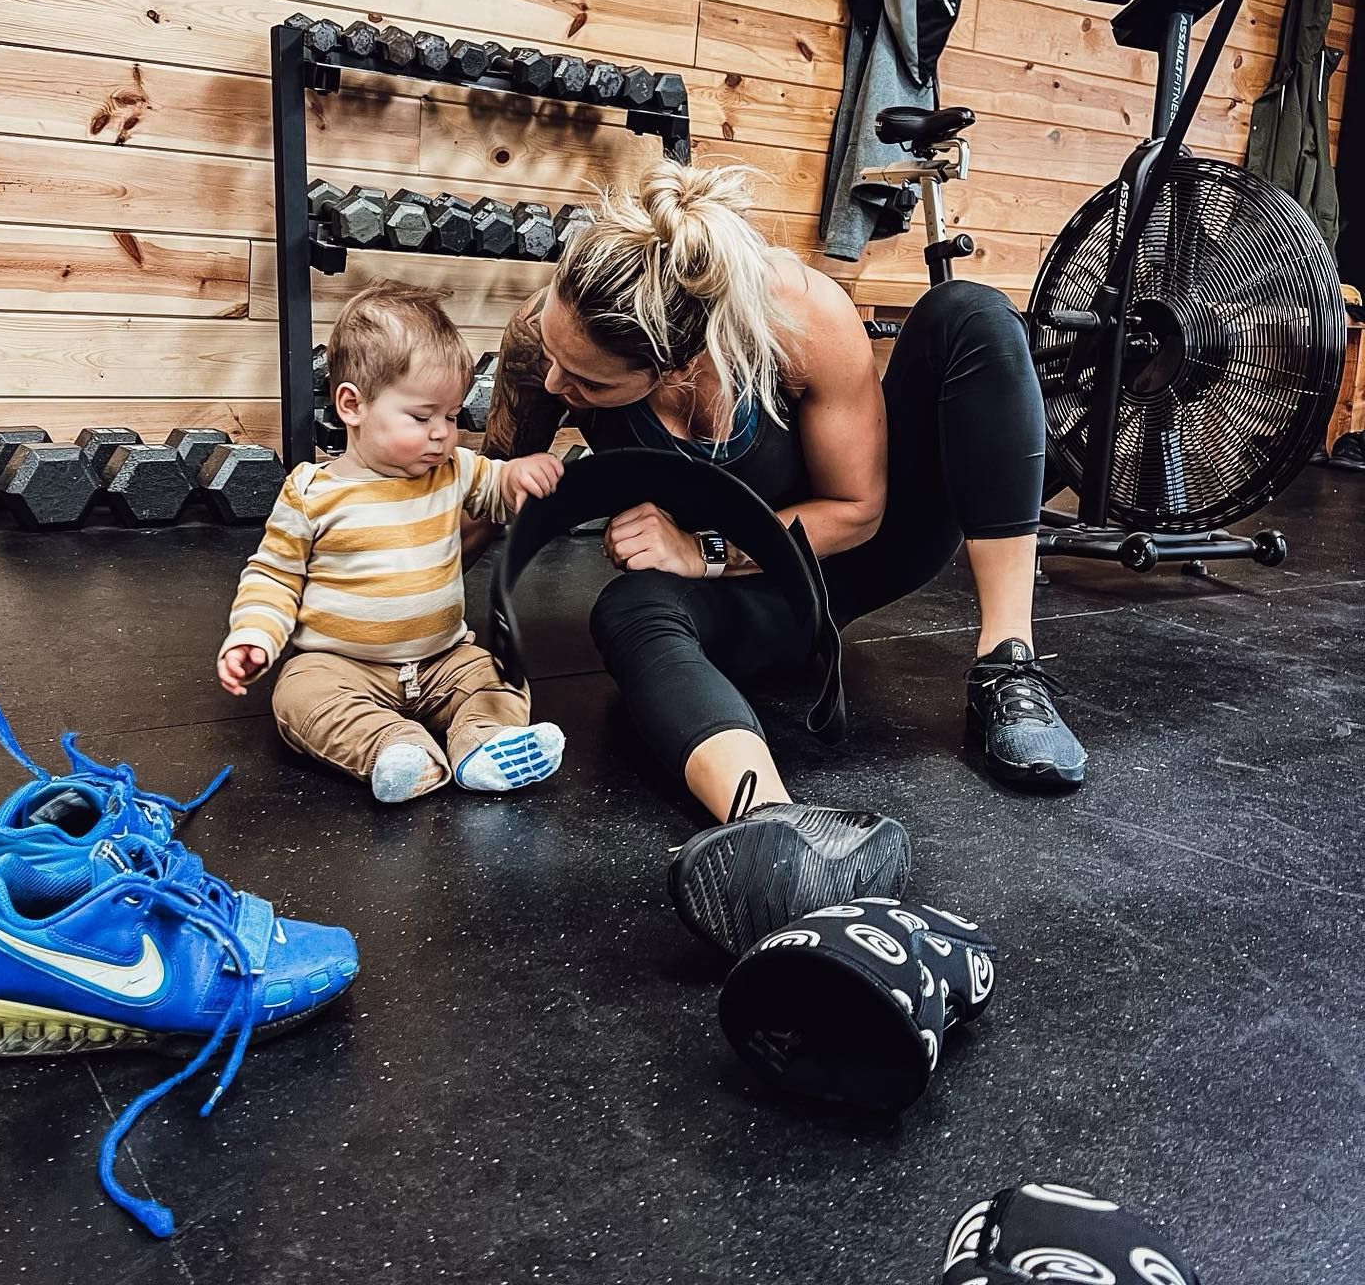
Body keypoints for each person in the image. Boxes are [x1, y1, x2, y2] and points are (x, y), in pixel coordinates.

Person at [471, 160, 1085, 831]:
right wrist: (367, 571)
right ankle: (778, 828)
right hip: (756, 597)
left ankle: (1006, 668)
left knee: (970, 313)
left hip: (863, 551)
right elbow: (492, 496)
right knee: (630, 609)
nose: (557, 382)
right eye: (556, 358)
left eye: (589, 383)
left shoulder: (802, 317)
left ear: (681, 363)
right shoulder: (544, 344)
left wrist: (700, 548)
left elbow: (857, 512)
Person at [218, 281, 566, 803]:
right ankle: (394, 750)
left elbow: (497, 488)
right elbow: (273, 577)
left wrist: (521, 475)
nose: (442, 434)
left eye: (450, 418)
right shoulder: (313, 493)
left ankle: (484, 743)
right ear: (353, 405)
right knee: (297, 695)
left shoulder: (453, 471)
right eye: (422, 417)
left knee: (499, 676)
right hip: (341, 664)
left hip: (444, 657)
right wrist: (254, 636)